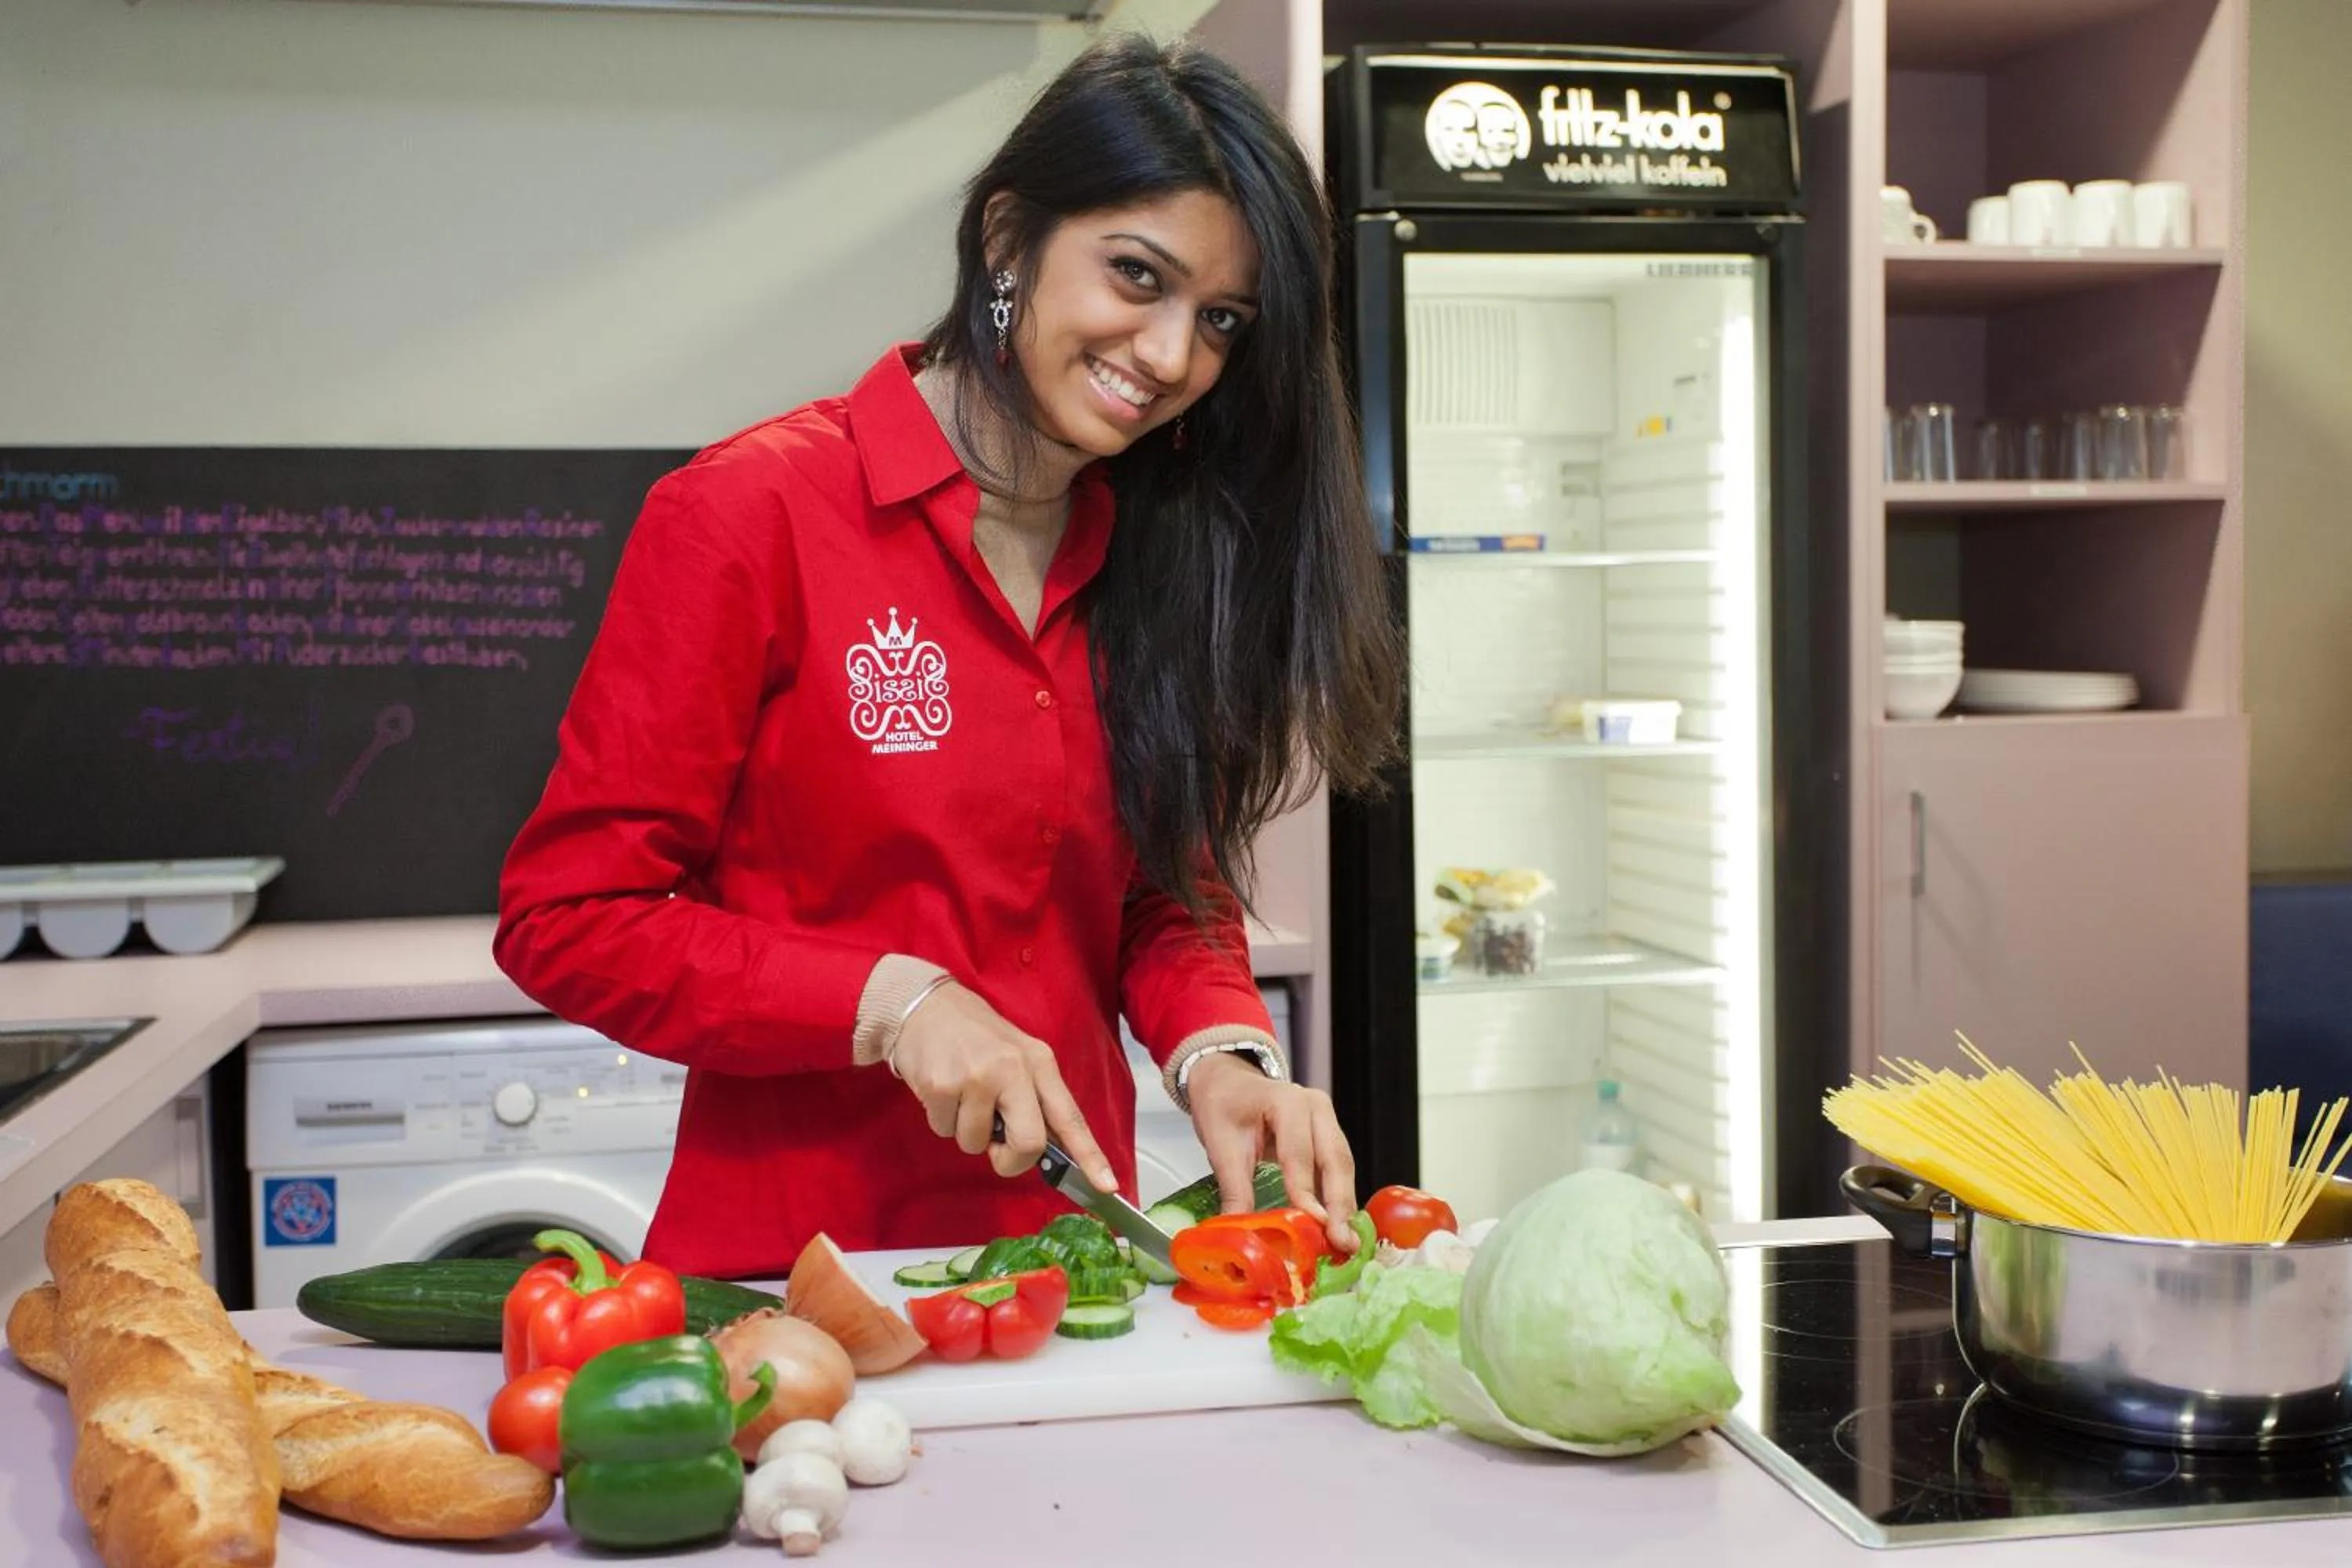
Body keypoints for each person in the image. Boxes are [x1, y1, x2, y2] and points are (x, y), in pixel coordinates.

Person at [493, 32, 1403, 1281]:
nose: (1170, 356)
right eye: (1136, 275)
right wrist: (892, 1002)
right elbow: (570, 919)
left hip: (1072, 1273)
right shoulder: (749, 514)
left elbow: (1163, 894)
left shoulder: (1164, 547)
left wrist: (1223, 1053)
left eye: (1222, 320)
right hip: (795, 1282)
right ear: (1008, 238)